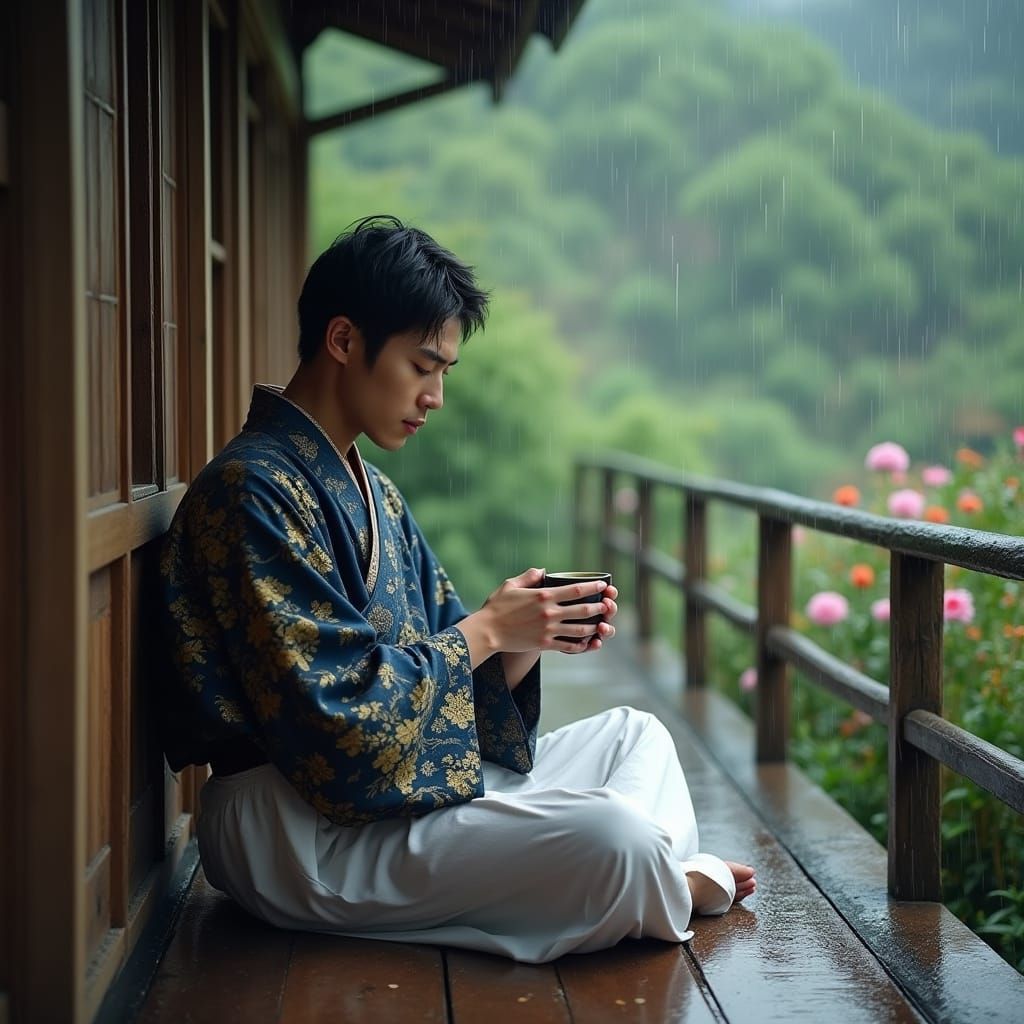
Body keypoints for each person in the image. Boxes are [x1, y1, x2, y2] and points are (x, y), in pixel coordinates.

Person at [159, 215, 755, 963]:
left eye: (443, 372)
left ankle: (647, 879)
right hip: (298, 827)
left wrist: (519, 640)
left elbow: (450, 675)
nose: (435, 396)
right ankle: (669, 879)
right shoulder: (250, 493)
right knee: (616, 836)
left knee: (638, 735)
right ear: (344, 341)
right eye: (422, 366)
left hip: (391, 798)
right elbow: (336, 732)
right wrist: (487, 629)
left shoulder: (374, 491)